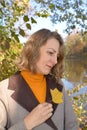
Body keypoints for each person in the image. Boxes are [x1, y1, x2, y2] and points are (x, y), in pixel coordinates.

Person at [0, 28, 79, 130]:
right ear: (33, 49)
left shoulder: (58, 84)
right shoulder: (3, 90)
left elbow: (71, 125)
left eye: (57, 56)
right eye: (50, 53)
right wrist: (27, 123)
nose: (55, 61)